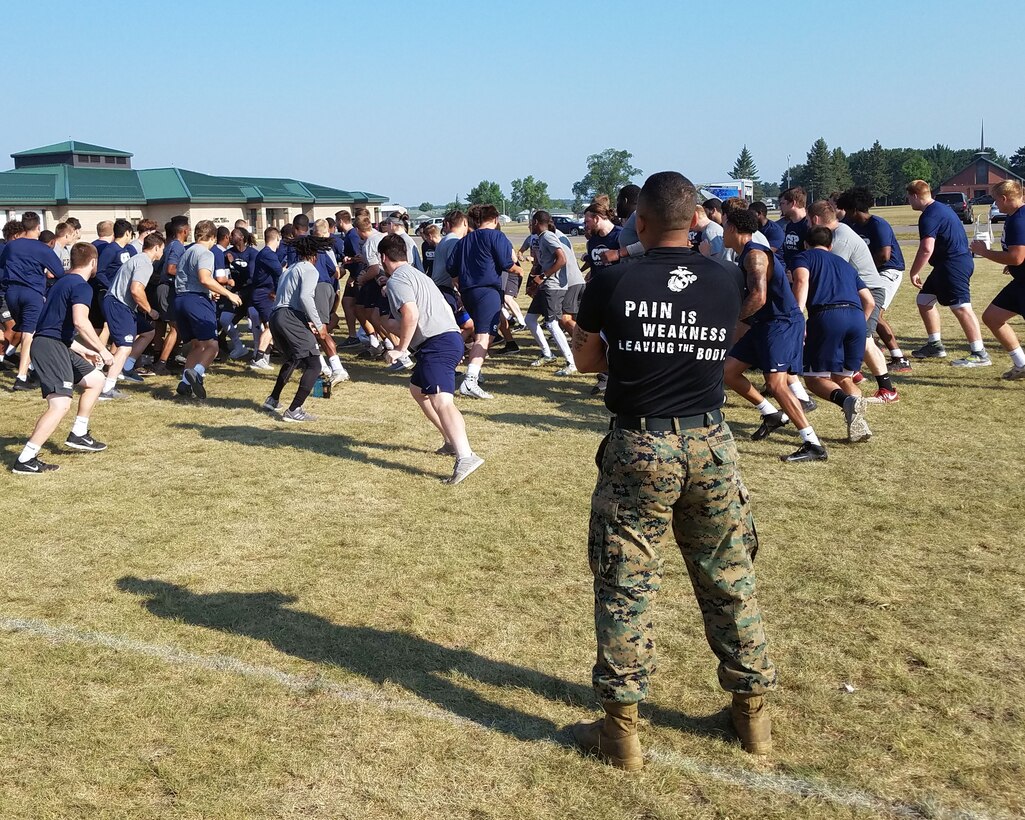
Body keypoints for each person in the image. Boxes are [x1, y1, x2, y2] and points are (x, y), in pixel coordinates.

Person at [568, 171, 776, 768]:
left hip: (642, 444)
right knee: (729, 577)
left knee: (626, 582)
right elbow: (722, 337)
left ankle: (621, 729)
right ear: (693, 219)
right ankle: (752, 716)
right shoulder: (728, 276)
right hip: (711, 441)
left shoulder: (612, 278)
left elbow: (586, 363)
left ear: (642, 220)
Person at [720, 209, 845, 461]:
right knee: (728, 372)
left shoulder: (755, 255)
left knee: (776, 383)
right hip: (765, 323)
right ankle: (771, 413)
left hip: (781, 322)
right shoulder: (746, 253)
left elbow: (759, 296)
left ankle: (813, 444)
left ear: (733, 228)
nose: (722, 232)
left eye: (724, 227)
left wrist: (730, 321)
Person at [376, 234, 484, 484]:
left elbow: (411, 315)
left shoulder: (397, 281)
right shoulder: (418, 276)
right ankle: (449, 440)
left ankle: (466, 456)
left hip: (437, 344)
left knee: (442, 400)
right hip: (445, 340)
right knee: (418, 390)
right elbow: (437, 311)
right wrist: (390, 323)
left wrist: (400, 348)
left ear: (383, 257)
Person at [12, 242, 113, 474]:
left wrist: (82, 350)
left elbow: (54, 327)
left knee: (96, 381)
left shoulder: (62, 282)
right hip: (49, 347)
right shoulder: (82, 286)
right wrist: (103, 350)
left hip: (55, 344)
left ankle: (78, 433)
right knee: (60, 404)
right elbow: (80, 321)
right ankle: (26, 459)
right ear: (94, 262)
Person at [807, 200, 899, 403]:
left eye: (808, 221)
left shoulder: (840, 239)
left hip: (868, 291)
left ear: (814, 219)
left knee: (864, 340)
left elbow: (829, 271)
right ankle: (852, 375)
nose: (808, 225)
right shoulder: (839, 232)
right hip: (854, 293)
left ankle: (888, 389)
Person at [906, 179, 991, 366]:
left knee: (961, 307)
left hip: (954, 264)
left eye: (908, 198)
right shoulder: (941, 208)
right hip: (946, 264)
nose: (909, 202)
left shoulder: (929, 215)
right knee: (924, 300)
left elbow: (926, 248)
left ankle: (979, 353)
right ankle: (935, 345)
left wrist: (914, 271)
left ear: (914, 196)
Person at [446, 204, 522, 399]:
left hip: (468, 291)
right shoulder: (497, 236)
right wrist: (520, 270)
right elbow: (506, 263)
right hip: (487, 290)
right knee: (484, 336)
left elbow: (451, 268)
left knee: (479, 333)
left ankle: (476, 371)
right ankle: (470, 380)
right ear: (495, 219)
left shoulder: (463, 241)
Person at [262, 235, 333, 422]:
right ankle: (294, 410)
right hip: (289, 316)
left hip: (276, 316)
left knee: (293, 359)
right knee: (314, 364)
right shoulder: (310, 269)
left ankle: (273, 399)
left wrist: (303, 320)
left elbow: (284, 299)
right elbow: (305, 297)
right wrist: (319, 324)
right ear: (314, 254)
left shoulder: (289, 269)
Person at [840, 187, 911, 373]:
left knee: (875, 313)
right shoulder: (851, 225)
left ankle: (899, 358)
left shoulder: (878, 224)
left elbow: (884, 256)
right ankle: (873, 347)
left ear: (854, 210)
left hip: (888, 271)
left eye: (847, 211)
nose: (845, 215)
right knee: (861, 310)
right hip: (869, 274)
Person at [173, 220, 242, 399]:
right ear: (212, 237)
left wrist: (210, 291)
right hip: (196, 300)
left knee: (196, 345)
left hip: (180, 300)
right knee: (212, 345)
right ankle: (197, 373)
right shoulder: (205, 253)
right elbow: (205, 278)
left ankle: (185, 384)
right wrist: (228, 294)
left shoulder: (187, 251)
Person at [0, 211, 66, 390]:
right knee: (30, 333)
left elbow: (3, 265)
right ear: (38, 227)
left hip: (12, 293)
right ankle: (22, 377)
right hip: (32, 293)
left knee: (30, 331)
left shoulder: (11, 246)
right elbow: (59, 273)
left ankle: (33, 367)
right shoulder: (42, 248)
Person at [100, 232, 165, 398]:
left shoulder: (138, 259)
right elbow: (136, 290)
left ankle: (126, 368)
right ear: (156, 247)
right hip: (118, 304)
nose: (163, 253)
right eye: (162, 249)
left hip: (121, 305)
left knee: (148, 332)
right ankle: (107, 388)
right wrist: (149, 310)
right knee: (124, 346)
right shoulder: (145, 262)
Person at [972, 180, 1025, 379]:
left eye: (995, 200)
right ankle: (1021, 364)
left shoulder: (1019, 219)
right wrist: (1011, 264)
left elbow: (1017, 256)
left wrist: (984, 252)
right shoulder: (1015, 216)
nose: (995, 204)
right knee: (992, 317)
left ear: (1004, 199)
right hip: (1020, 283)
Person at [523, 210, 577, 374]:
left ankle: (571, 362)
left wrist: (543, 276)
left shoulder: (547, 236)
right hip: (545, 286)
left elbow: (562, 259)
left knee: (552, 323)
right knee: (530, 319)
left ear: (537, 222)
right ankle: (547, 353)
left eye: (532, 222)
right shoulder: (541, 238)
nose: (530, 225)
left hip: (553, 286)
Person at [249, 227, 283, 371]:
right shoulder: (268, 254)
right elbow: (280, 272)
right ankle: (258, 358)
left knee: (271, 327)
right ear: (277, 238)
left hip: (265, 292)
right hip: (264, 294)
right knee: (271, 326)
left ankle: (264, 358)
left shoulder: (266, 254)